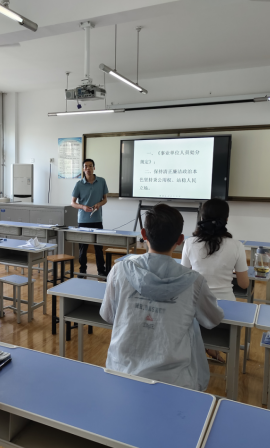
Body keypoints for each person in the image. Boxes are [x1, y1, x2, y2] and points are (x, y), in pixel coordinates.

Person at [99, 204, 224, 391]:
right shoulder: (194, 282)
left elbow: (108, 316)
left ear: (143, 234)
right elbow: (212, 320)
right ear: (180, 240)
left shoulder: (119, 270)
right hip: (173, 381)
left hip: (121, 372)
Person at [181, 199, 249, 302]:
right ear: (226, 219)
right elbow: (244, 284)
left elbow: (183, 277)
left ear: (202, 218)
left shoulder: (189, 243)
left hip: (196, 302)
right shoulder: (237, 246)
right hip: (227, 303)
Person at [71, 159, 109, 277]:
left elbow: (105, 199)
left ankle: (101, 271)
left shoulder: (101, 181)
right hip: (83, 220)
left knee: (98, 248)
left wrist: (99, 204)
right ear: (83, 169)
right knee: (83, 248)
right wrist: (82, 207)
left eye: (90, 166)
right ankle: (82, 271)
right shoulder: (79, 184)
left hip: (97, 219)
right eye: (86, 166)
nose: (88, 168)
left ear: (94, 168)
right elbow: (73, 203)